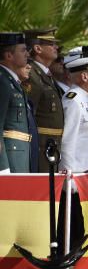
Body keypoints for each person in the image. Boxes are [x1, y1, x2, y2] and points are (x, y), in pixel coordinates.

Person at [24, 28, 64, 168]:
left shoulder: (45, 74)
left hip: (52, 144)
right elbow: (28, 114)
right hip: (40, 145)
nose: (56, 47)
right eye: (51, 44)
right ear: (37, 48)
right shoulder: (32, 75)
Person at [0, 32, 33, 174]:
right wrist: (2, 167)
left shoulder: (12, 81)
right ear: (9, 56)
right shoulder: (2, 81)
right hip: (9, 157)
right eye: (23, 50)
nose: (27, 54)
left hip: (20, 154)